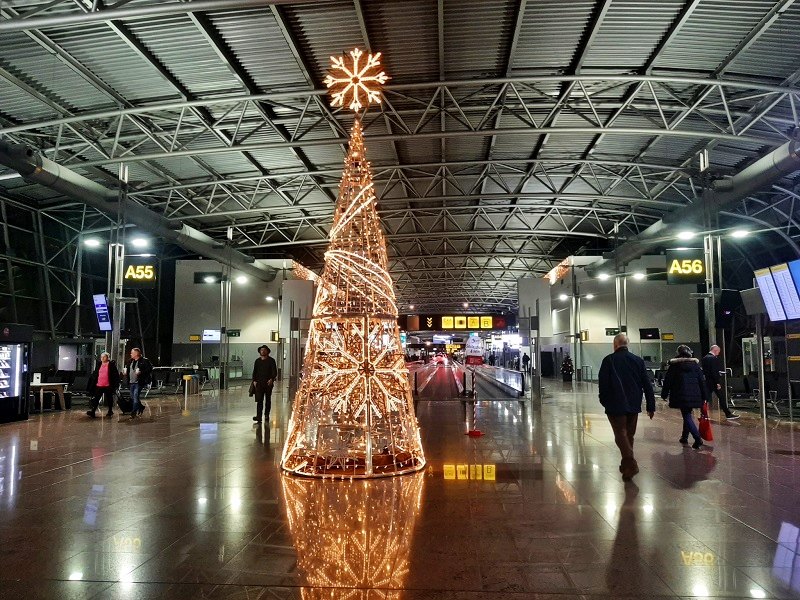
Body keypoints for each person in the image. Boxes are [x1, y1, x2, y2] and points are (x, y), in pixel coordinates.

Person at [598, 334, 655, 481]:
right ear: (627, 344)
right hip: (634, 403)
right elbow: (647, 384)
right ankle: (627, 468)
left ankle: (630, 464)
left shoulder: (608, 360)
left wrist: (603, 400)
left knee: (620, 434)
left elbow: (603, 384)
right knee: (629, 435)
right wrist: (651, 405)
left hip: (615, 403)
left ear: (615, 344)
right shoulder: (638, 361)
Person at [661, 345, 708, 449]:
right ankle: (684, 436)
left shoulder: (674, 366)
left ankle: (697, 438)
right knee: (687, 414)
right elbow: (702, 381)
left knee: (686, 415)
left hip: (680, 394)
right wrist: (705, 396)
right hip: (695, 394)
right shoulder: (695, 366)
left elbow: (668, 381)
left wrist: (664, 394)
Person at [701, 345, 739, 419]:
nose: (718, 353)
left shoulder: (705, 358)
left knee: (705, 398)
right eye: (718, 351)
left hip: (707, 381)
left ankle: (704, 414)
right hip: (713, 382)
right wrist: (717, 382)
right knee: (721, 397)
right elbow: (714, 371)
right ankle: (728, 414)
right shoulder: (713, 358)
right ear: (715, 350)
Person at [86, 352, 120, 418]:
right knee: (96, 399)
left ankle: (110, 411)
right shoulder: (99, 364)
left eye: (104, 357)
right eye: (101, 357)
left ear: (108, 358)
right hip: (99, 385)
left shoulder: (111, 365)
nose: (102, 358)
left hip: (108, 385)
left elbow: (115, 375)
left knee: (109, 398)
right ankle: (93, 411)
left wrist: (116, 385)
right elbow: (96, 373)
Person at [252, 345, 278, 424]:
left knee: (268, 399)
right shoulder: (257, 361)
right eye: (261, 350)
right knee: (259, 400)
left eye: (264, 350)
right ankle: (259, 416)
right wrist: (254, 380)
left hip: (268, 383)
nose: (263, 351)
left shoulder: (271, 361)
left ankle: (266, 414)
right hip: (259, 383)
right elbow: (255, 371)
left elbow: (274, 371)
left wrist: (272, 379)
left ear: (267, 351)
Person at [125, 347, 152, 418]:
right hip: (131, 382)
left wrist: (141, 372)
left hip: (139, 382)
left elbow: (150, 369)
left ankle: (133, 412)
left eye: (132, 353)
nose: (130, 354)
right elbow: (128, 370)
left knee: (136, 395)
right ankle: (141, 407)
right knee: (133, 397)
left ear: (136, 353)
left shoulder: (144, 361)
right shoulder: (130, 361)